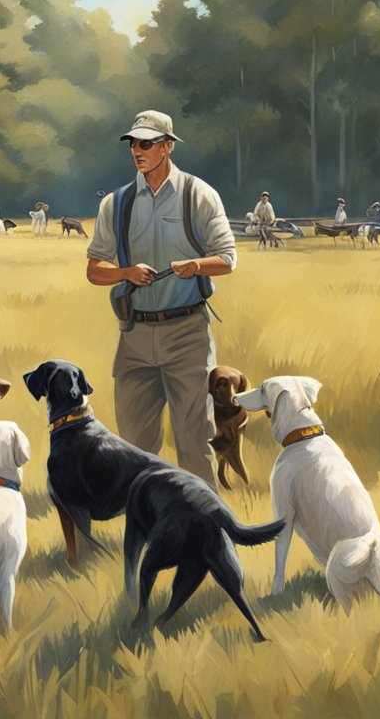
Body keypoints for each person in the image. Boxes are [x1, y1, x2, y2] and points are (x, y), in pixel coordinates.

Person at [85, 110, 237, 489]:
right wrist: (125, 273)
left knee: (194, 441)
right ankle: (145, 525)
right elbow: (93, 270)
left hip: (187, 333)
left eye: (147, 143)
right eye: (133, 143)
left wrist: (195, 265)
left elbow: (228, 259)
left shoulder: (199, 194)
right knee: (133, 445)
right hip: (134, 334)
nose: (138, 150)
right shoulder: (116, 204)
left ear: (167, 146)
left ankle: (205, 531)